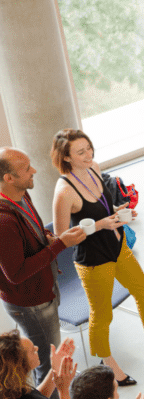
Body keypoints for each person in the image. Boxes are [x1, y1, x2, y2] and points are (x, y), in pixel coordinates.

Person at [51, 129, 144, 385]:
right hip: (93, 260)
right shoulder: (64, 191)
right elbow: (61, 236)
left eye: (89, 148)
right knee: (101, 315)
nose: (88, 154)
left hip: (118, 247)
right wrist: (99, 225)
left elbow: (102, 207)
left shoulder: (94, 168)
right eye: (80, 152)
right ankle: (106, 361)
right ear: (66, 158)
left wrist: (116, 212)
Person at [0, 148, 85, 385]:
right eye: (26, 169)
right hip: (31, 302)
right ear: (8, 178)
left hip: (45, 286)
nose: (34, 171)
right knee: (47, 362)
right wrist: (61, 245)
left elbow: (33, 228)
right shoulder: (3, 222)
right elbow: (16, 274)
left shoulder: (21, 194)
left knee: (52, 355)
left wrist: (47, 236)